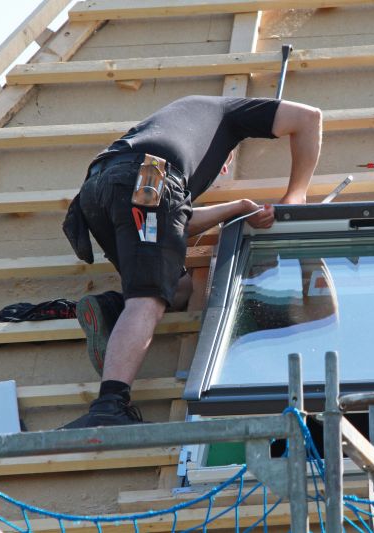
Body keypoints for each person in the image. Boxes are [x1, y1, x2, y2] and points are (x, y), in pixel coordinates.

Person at [60, 95, 322, 428]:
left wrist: (236, 207)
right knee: (148, 298)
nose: (219, 170)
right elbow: (309, 117)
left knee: (170, 283)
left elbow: (172, 220)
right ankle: (109, 405)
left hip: (99, 188)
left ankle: (113, 309)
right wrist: (295, 197)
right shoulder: (229, 113)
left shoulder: (174, 125)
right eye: (222, 166)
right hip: (147, 180)